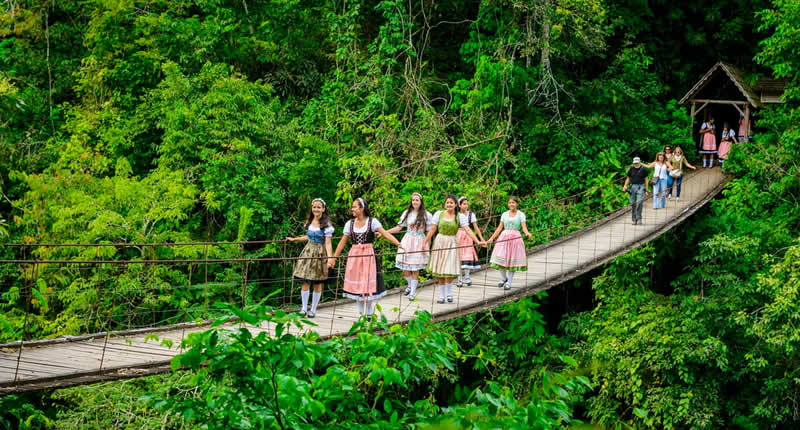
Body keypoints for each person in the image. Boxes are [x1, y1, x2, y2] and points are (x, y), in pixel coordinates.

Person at [330, 198, 403, 318]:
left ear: (362, 208)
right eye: (352, 207)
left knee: (368, 283)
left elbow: (385, 233)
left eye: (354, 207)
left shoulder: (372, 222)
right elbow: (342, 243)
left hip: (368, 256)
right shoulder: (350, 224)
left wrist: (398, 244)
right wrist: (334, 258)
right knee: (357, 285)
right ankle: (360, 314)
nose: (352, 209)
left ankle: (369, 313)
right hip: (354, 256)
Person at [423, 195, 484, 304]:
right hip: (440, 242)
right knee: (439, 269)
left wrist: (478, 241)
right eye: (447, 202)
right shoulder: (439, 214)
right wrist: (425, 242)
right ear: (445, 204)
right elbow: (432, 229)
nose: (449, 204)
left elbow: (468, 230)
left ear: (456, 204)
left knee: (448, 268)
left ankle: (449, 294)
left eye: (451, 202)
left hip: (452, 242)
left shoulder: (459, 217)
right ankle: (441, 295)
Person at [286, 198, 334, 318]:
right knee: (305, 280)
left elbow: (328, 243)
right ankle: (303, 308)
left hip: (319, 253)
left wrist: (330, 258)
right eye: (314, 207)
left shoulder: (326, 225)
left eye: (318, 207)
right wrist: (295, 239)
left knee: (317, 282)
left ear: (323, 209)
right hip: (307, 252)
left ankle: (313, 310)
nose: (316, 209)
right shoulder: (309, 221)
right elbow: (308, 237)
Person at [385, 193, 433, 301]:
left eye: (417, 200)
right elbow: (398, 228)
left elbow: (429, 232)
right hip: (408, 240)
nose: (415, 202)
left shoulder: (427, 215)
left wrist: (427, 245)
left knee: (415, 268)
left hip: (419, 241)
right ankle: (410, 285)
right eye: (413, 200)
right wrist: (385, 232)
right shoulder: (407, 213)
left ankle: (412, 292)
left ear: (421, 202)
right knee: (404, 268)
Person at [486, 196, 532, 290]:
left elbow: (524, 227)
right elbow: (499, 228)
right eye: (510, 203)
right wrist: (492, 238)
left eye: (513, 203)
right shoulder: (504, 214)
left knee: (512, 261)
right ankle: (503, 278)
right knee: (500, 258)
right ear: (508, 204)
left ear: (517, 204)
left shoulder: (521, 214)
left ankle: (509, 283)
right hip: (504, 237)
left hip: (515, 239)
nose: (512, 204)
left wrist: (527, 233)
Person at [456, 196, 485, 287]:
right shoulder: (455, 214)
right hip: (457, 237)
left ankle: (467, 277)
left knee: (467, 257)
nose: (466, 206)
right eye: (464, 204)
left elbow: (475, 228)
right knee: (459, 258)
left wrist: (481, 238)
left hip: (468, 237)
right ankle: (459, 279)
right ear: (459, 205)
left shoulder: (471, 215)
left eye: (467, 204)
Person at [622, 157, 647, 225]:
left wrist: (646, 190)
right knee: (632, 203)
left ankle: (639, 219)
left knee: (639, 202)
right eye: (635, 163)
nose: (636, 164)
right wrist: (625, 185)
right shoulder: (631, 169)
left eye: (637, 162)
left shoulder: (643, 170)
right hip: (632, 187)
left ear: (639, 162)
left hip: (640, 186)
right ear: (633, 163)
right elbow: (628, 178)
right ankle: (634, 219)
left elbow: (646, 180)